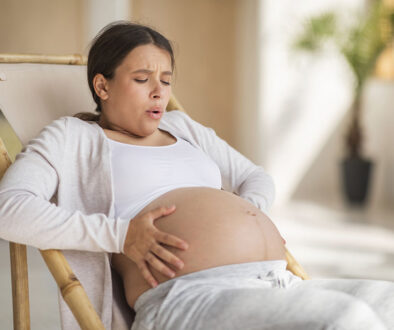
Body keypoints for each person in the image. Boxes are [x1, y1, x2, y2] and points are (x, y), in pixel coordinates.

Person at [0, 21, 393, 330]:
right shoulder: (72, 137)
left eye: (166, 80)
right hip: (187, 297)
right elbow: (10, 209)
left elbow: (255, 178)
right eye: (142, 79)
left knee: (388, 303)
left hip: (274, 282)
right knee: (346, 321)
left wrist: (249, 216)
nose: (159, 92)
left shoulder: (184, 128)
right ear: (102, 85)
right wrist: (121, 234)